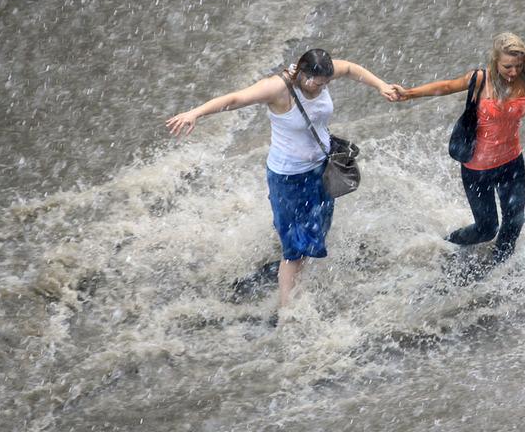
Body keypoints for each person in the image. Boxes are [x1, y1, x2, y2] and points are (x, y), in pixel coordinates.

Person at [166, 49, 398, 308]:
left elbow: (353, 69)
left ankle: (288, 256)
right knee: (295, 251)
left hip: (321, 168)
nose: (321, 89)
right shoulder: (277, 89)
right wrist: (195, 113)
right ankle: (287, 310)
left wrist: (381, 86)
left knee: (317, 230)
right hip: (288, 177)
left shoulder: (325, 72)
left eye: (326, 84)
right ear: (302, 73)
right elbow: (235, 98)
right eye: (317, 84)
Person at [394, 33, 525, 266]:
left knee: (515, 221)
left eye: (518, 66)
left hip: (511, 163)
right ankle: (445, 245)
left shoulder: (524, 80)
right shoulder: (479, 79)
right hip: (477, 169)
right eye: (508, 66)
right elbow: (446, 86)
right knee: (486, 228)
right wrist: (408, 93)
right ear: (495, 61)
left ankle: (498, 268)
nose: (513, 72)